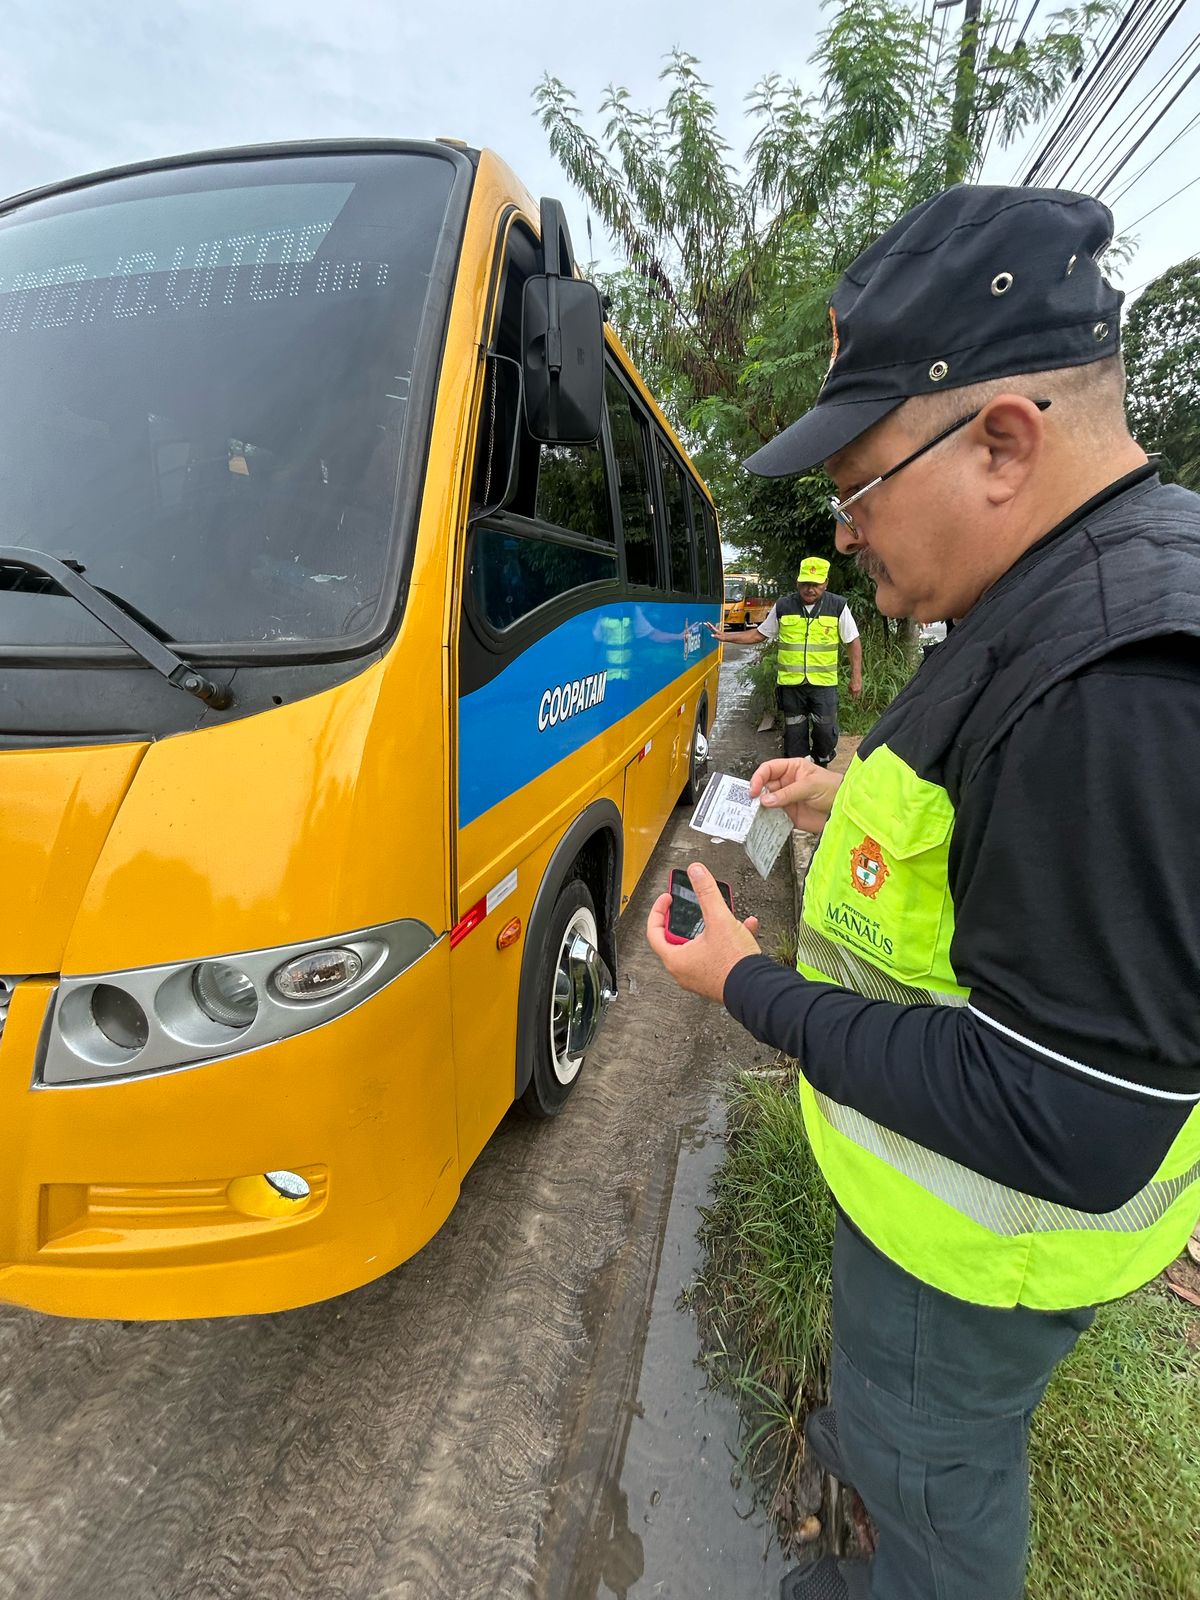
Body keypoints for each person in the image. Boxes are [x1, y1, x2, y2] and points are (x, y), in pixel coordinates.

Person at [646, 183, 1200, 1600]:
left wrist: (747, 989)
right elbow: (1020, 851)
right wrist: (842, 806)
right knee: (909, 1459)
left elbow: (1069, 1116)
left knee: (935, 1503)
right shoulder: (1069, 587)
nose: (849, 534)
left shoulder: (1117, 682)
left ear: (1003, 441)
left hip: (977, 1264)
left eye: (859, 487)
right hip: (938, 1241)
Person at [707, 556, 863, 765]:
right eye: (805, 584)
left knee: (825, 733)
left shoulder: (837, 606)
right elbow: (758, 635)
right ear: (798, 582)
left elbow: (852, 641)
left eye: (815, 585)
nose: (810, 589)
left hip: (824, 685)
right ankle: (799, 774)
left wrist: (856, 677)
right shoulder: (784, 606)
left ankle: (820, 763)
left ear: (826, 583)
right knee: (795, 737)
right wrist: (726, 636)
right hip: (792, 685)